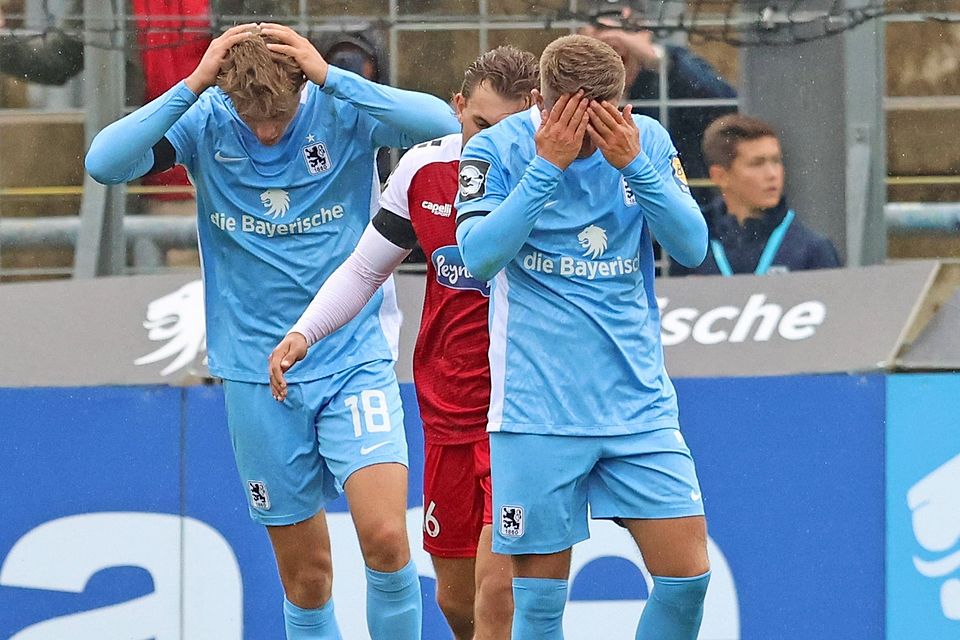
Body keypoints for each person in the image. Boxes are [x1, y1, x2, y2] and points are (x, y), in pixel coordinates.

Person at [85, 23, 460, 639]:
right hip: (255, 372)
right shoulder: (206, 116)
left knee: (389, 539)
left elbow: (443, 123)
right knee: (307, 578)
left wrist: (332, 76)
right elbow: (104, 163)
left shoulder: (341, 108)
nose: (264, 131)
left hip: (353, 356)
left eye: (278, 117)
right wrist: (193, 84)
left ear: (301, 86)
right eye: (250, 117)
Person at [268, 45, 539, 640]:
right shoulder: (422, 170)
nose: (494, 141)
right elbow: (366, 270)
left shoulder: (549, 175)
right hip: (447, 407)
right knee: (456, 603)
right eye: (480, 125)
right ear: (458, 107)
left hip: (524, 413)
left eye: (512, 126)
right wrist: (304, 331)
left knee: (501, 594)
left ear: (537, 112)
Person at [453, 34, 711, 639]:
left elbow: (692, 246)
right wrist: (547, 167)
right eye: (576, 115)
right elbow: (480, 257)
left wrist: (635, 167)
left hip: (638, 408)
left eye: (608, 113)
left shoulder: (645, 141)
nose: (594, 131)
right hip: (536, 411)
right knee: (538, 607)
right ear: (540, 101)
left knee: (687, 578)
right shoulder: (495, 149)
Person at [582, 16, 736, 202]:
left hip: (682, 202)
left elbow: (725, 105)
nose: (614, 40)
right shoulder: (579, 92)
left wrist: (658, 60)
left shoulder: (671, 73)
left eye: (626, 30)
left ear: (645, 35)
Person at [669, 113, 841, 276]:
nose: (772, 174)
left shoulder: (811, 249)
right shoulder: (693, 243)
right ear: (720, 176)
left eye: (776, 161)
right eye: (757, 164)